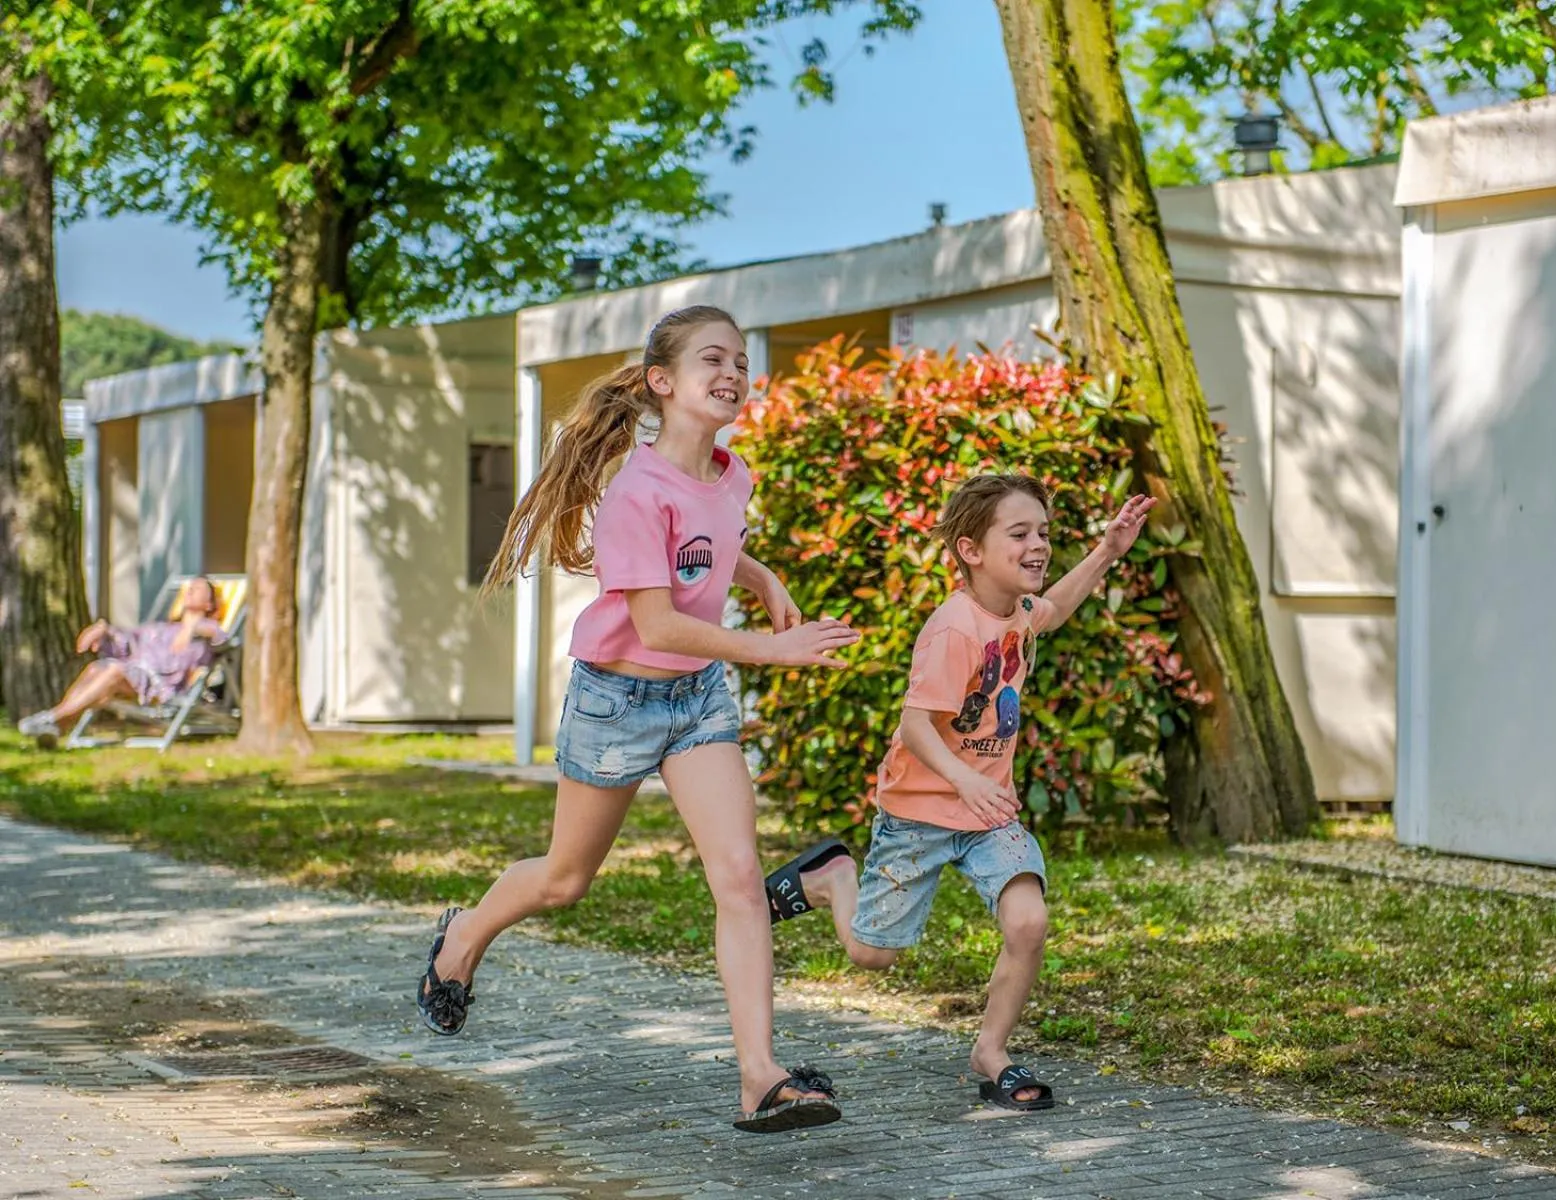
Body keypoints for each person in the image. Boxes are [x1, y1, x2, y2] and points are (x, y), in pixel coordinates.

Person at [416, 305, 861, 1134]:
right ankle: (462, 937)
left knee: (737, 878)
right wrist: (775, 648)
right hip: (617, 700)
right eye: (711, 361)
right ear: (662, 383)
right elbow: (656, 625)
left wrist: (758, 578)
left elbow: (710, 542)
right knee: (564, 880)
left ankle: (759, 1077)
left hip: (695, 702)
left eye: (740, 361)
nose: (732, 373)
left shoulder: (733, 475)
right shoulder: (633, 492)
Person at [765, 473, 1155, 1113]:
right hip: (919, 812)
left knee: (1028, 921)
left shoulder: (1020, 613)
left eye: (1044, 534)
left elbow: (1054, 607)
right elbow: (915, 726)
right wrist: (967, 777)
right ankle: (833, 877)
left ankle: (990, 1052)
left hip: (986, 813)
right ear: (971, 550)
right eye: (1020, 533)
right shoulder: (954, 629)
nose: (1038, 546)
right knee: (871, 955)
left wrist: (1107, 550)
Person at [16, 576, 229, 748]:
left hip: (162, 689)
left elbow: (221, 639)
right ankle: (56, 726)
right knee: (94, 669)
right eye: (189, 587)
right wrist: (104, 629)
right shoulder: (161, 628)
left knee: (114, 671)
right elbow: (128, 641)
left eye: (198, 588)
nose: (190, 590)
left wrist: (195, 626)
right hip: (136, 675)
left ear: (209, 603)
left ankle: (53, 718)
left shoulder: (210, 631)